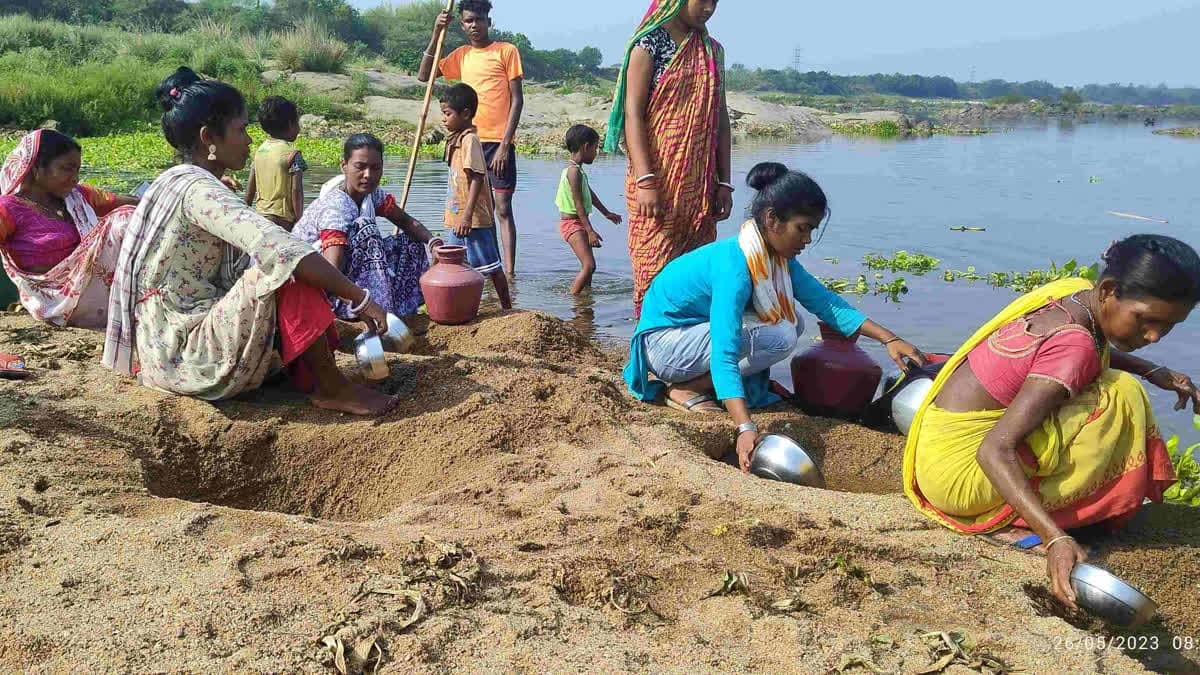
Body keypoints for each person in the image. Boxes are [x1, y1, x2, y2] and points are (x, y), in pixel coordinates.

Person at [903, 234, 1200, 609]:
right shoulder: (1073, 348)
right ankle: (1023, 519)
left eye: (1168, 326)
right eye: (1145, 320)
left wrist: (1150, 368)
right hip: (960, 478)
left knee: (1115, 383)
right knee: (1120, 395)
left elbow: (1086, 347)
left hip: (936, 453)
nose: (1155, 336)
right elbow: (994, 449)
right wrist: (1054, 539)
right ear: (1109, 291)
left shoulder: (1074, 294)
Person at [102, 67, 397, 416]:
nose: (249, 140)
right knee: (287, 265)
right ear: (208, 137)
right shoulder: (198, 190)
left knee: (284, 259)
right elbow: (282, 251)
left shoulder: (177, 181)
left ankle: (310, 367)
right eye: (241, 130)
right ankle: (331, 387)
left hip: (164, 345)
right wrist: (361, 299)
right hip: (183, 356)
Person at [624, 163, 926, 469]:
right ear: (772, 219)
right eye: (803, 227)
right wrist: (744, 426)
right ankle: (687, 387)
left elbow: (825, 302)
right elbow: (724, 348)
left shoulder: (775, 259)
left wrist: (890, 339)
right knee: (780, 334)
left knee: (792, 323)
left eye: (812, 230)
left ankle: (705, 384)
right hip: (664, 346)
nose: (807, 239)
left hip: (689, 340)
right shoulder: (735, 267)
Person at [608, 0, 733, 315]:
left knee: (695, 276)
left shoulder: (712, 51)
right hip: (656, 183)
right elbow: (633, 114)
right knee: (653, 267)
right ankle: (648, 347)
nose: (708, 9)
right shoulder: (649, 43)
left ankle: (686, 354)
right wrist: (645, 179)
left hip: (698, 189)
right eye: (701, 0)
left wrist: (725, 183)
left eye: (715, 2)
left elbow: (720, 119)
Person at [419, 0, 524, 279]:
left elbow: (517, 100)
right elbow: (423, 75)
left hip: (498, 142)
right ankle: (474, 268)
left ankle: (508, 273)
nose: (473, 25)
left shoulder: (505, 51)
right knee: (469, 205)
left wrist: (505, 144)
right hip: (468, 141)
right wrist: (435, 34)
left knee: (501, 208)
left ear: (489, 21)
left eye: (478, 19)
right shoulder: (462, 55)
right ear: (462, 24)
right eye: (467, 21)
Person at [0, 129, 138, 329]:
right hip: (55, 302)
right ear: (37, 167)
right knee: (123, 221)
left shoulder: (77, 197)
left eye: (77, 170)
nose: (75, 178)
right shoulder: (8, 208)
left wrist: (160, 201)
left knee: (131, 215)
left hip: (94, 290)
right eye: (67, 168)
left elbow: (121, 202)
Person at [293, 134, 440, 320]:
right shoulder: (336, 208)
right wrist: (361, 302)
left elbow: (405, 222)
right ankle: (363, 311)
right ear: (343, 166)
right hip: (315, 282)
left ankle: (401, 309)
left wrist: (434, 243)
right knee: (367, 229)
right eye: (360, 167)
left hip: (342, 270)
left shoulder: (372, 194)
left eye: (375, 168)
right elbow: (331, 270)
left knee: (410, 243)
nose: (368, 175)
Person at [439, 83, 512, 309]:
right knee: (452, 264)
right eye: (443, 114)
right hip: (457, 219)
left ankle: (508, 308)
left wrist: (467, 216)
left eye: (448, 114)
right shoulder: (457, 138)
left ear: (466, 114)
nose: (444, 119)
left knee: (491, 267)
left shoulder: (470, 140)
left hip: (473, 221)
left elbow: (477, 179)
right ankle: (460, 307)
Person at [557, 124, 622, 295]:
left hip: (579, 222)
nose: (596, 153)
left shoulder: (578, 171)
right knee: (589, 266)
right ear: (586, 147)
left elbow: (589, 194)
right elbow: (578, 205)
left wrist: (606, 213)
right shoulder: (573, 172)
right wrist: (590, 231)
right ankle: (573, 298)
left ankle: (586, 301)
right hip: (572, 223)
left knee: (589, 270)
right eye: (595, 148)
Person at [244, 96, 306, 231]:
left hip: (260, 216)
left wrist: (244, 209)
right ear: (290, 124)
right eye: (297, 123)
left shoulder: (260, 151)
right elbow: (296, 191)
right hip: (282, 220)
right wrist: (300, 220)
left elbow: (250, 187)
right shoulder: (294, 155)